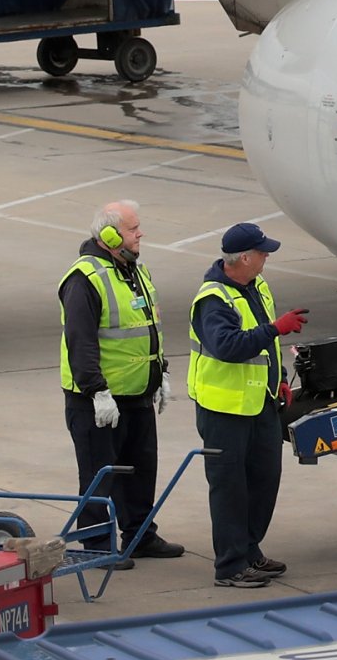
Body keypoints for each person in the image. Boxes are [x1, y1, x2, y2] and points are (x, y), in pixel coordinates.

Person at [57, 200, 184, 562]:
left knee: (140, 472)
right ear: (110, 235)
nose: (140, 233)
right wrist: (97, 391)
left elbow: (148, 328)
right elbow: (80, 342)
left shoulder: (134, 272)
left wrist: (160, 375)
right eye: (133, 228)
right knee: (99, 477)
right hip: (98, 401)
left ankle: (140, 536)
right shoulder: (85, 279)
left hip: (137, 395)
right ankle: (96, 546)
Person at [188, 222, 307, 589]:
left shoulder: (256, 286)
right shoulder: (213, 299)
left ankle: (249, 550)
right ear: (244, 258)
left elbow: (266, 352)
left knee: (263, 481)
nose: (266, 256)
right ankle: (230, 565)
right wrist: (276, 328)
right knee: (229, 489)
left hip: (261, 404)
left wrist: (281, 379)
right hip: (224, 411)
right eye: (262, 252)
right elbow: (228, 347)